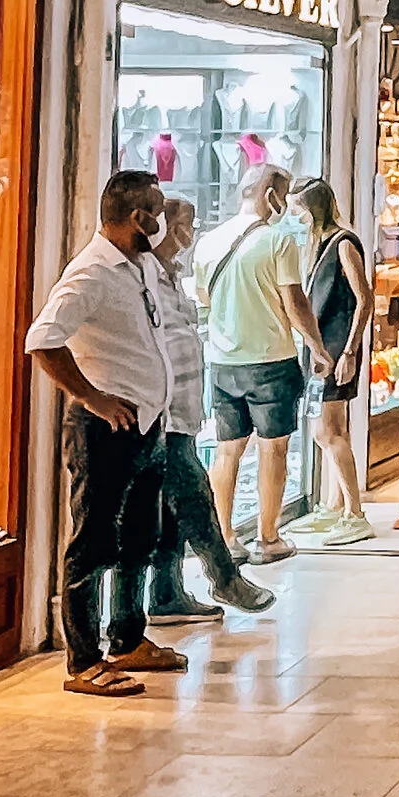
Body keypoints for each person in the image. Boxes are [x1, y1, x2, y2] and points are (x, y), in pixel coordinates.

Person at [29, 173, 182, 697]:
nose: (163, 221)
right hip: (104, 428)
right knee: (92, 541)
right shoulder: (92, 273)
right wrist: (92, 396)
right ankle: (83, 658)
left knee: (141, 538)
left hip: (146, 424)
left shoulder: (138, 267)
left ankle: (128, 638)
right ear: (139, 217)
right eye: (157, 211)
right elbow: (44, 340)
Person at [140, 197, 272, 629]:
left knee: (170, 511)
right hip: (158, 414)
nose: (189, 234)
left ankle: (167, 593)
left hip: (181, 412)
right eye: (183, 224)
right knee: (195, 496)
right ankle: (224, 576)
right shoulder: (140, 275)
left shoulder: (173, 274)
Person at [205, 164, 327, 564]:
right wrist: (318, 348)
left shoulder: (209, 242)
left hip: (223, 362)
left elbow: (206, 301)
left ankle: (223, 537)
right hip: (271, 361)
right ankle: (267, 537)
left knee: (228, 451)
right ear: (270, 194)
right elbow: (296, 303)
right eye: (284, 196)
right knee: (273, 449)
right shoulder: (278, 242)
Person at [288, 178, 376, 546]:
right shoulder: (316, 245)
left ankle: (354, 512)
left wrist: (350, 351)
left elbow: (364, 298)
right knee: (325, 429)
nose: (295, 216)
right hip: (321, 346)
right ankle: (333, 503)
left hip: (336, 346)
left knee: (329, 429)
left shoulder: (342, 243)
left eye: (299, 209)